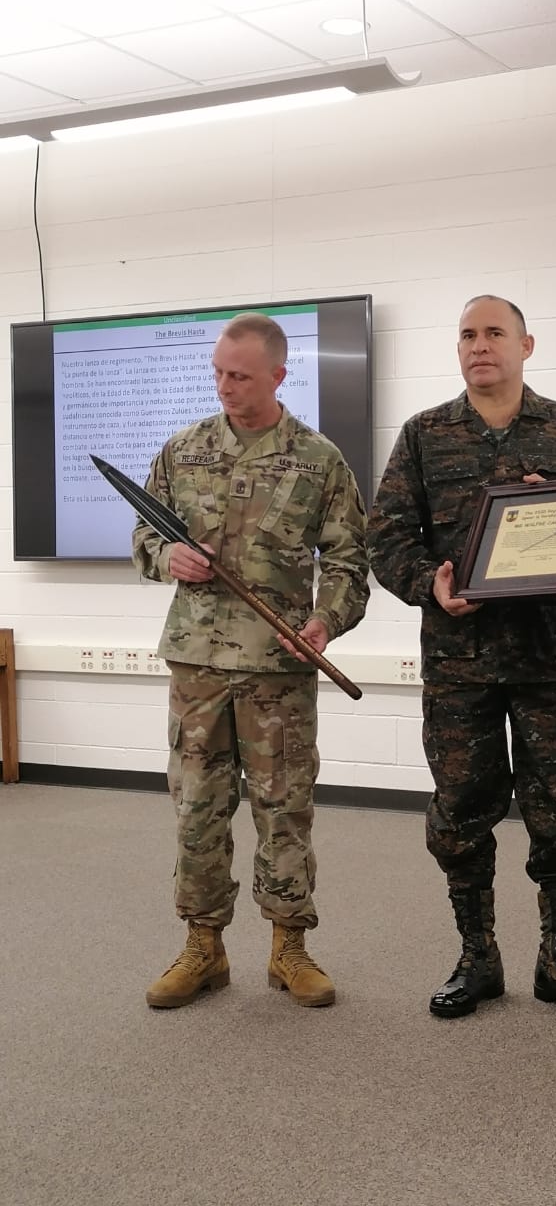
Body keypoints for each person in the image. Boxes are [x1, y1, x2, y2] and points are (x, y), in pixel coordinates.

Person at [367, 294, 556, 1023]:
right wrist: (431, 583)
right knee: (459, 817)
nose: (479, 345)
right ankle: (477, 957)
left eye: (494, 333)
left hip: (552, 663)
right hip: (460, 666)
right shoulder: (424, 435)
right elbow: (385, 540)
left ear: (526, 345)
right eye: (467, 335)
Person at [133, 312, 369, 1010]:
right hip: (198, 666)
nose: (225, 386)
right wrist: (166, 557)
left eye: (239, 375)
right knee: (197, 810)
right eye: (218, 372)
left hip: (277, 669)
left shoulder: (318, 460)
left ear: (277, 375)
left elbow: (350, 561)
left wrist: (326, 621)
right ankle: (203, 947)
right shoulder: (183, 450)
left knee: (283, 810)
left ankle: (289, 947)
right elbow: (145, 534)